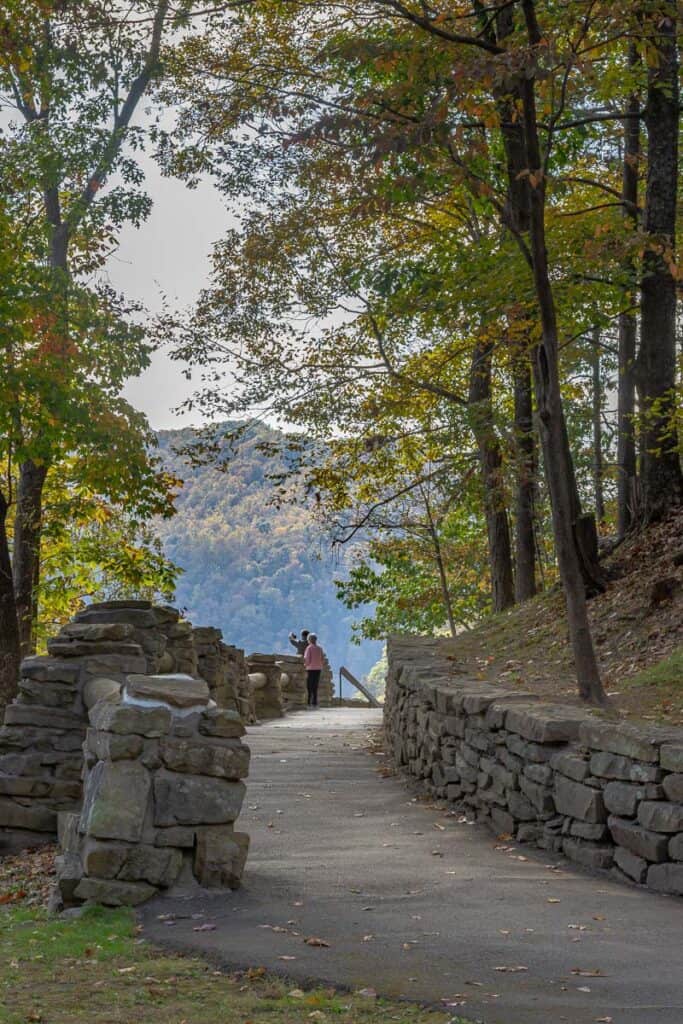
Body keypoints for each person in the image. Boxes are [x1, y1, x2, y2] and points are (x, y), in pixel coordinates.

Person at [303, 633, 324, 708]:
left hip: (310, 669)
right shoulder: (320, 648)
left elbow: (307, 659)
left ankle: (308, 703)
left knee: (309, 686)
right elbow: (322, 658)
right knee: (315, 686)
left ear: (309, 640)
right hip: (318, 669)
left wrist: (305, 665)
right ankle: (315, 703)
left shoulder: (309, 648)